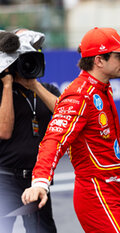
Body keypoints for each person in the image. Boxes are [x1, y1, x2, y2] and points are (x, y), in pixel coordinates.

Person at [21, 27, 120, 233]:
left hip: (117, 189)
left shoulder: (101, 88)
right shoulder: (78, 96)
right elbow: (53, 140)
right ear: (99, 61)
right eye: (119, 55)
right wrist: (40, 182)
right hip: (98, 193)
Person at [0, 29, 58, 232]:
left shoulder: (47, 90)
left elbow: (65, 115)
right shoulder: (2, 91)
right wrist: (7, 85)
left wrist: (34, 86)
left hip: (36, 179)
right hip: (4, 178)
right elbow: (4, 132)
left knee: (43, 230)